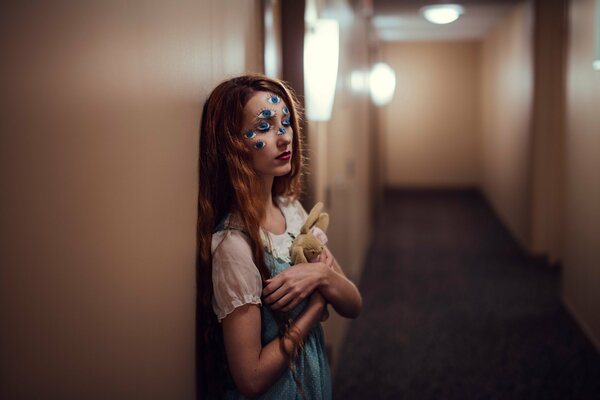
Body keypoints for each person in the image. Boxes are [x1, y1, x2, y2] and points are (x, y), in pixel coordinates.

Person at [197, 74, 362, 400]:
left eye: (285, 123)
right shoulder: (234, 245)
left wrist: (321, 274)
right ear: (232, 143)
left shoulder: (291, 210)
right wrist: (316, 306)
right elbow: (252, 378)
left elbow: (353, 303)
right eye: (264, 127)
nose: (284, 137)